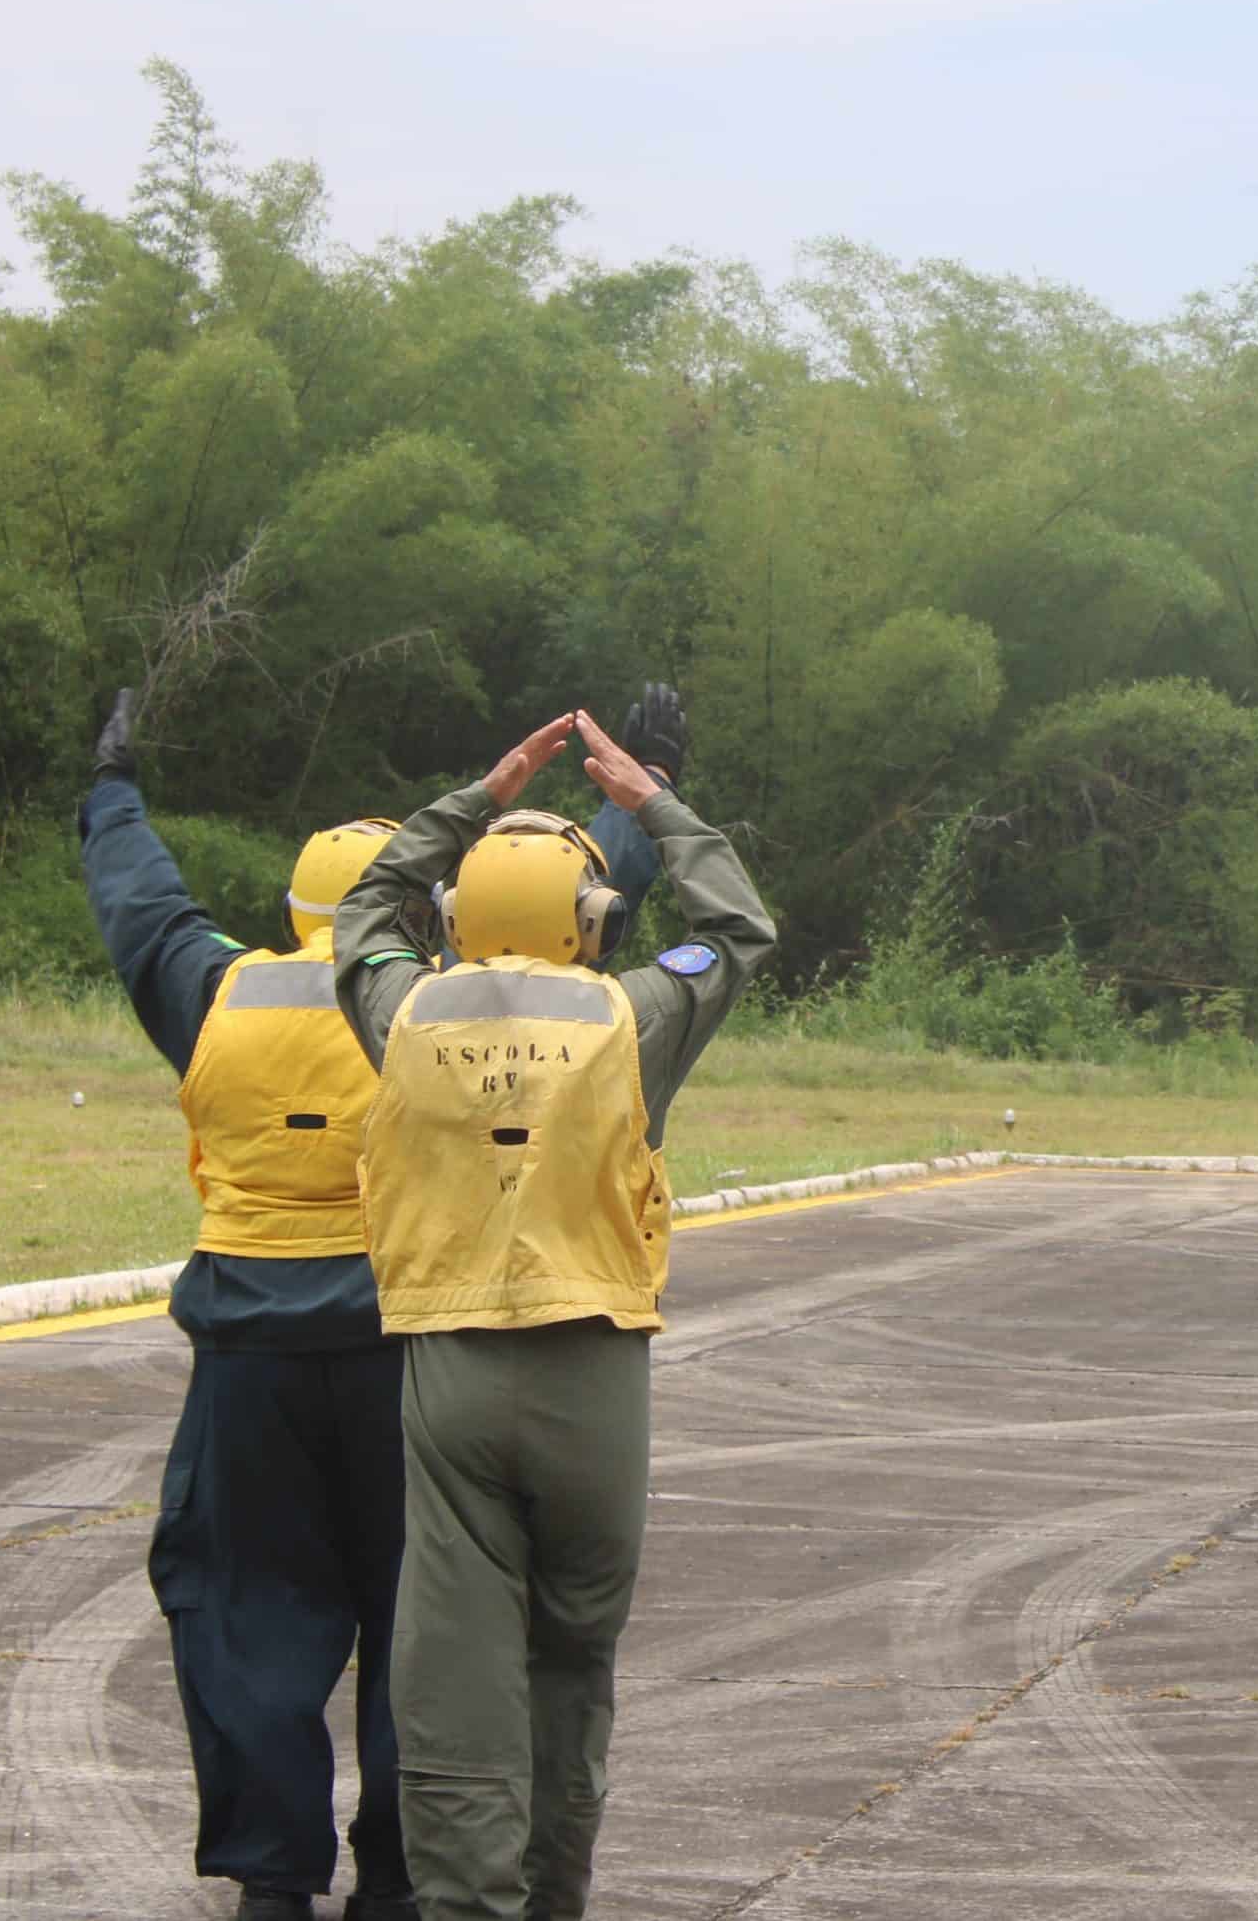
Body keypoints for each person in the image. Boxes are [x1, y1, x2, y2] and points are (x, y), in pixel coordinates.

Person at [78, 685, 683, 1921]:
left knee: (242, 1610)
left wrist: (110, 794)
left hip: (248, 1360)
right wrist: (650, 788)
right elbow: (556, 920)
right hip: (405, 1344)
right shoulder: (431, 1007)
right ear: (430, 911)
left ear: (303, 911)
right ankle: (404, 1874)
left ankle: (272, 1873)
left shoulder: (221, 993)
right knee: (435, 1635)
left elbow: (142, 906)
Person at [332, 710, 773, 1921]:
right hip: (595, 1372)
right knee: (571, 1663)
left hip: (453, 1369)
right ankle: (554, 1896)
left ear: (461, 918)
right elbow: (740, 925)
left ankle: (467, 1905)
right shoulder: (632, 1016)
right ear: (591, 918)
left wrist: (468, 803)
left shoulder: (403, 1013)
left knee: (455, 1674)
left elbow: (363, 914)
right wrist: (651, 804)